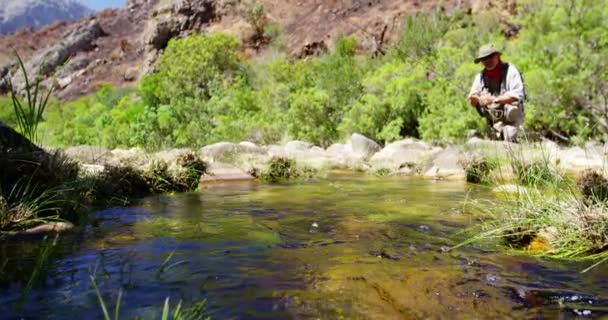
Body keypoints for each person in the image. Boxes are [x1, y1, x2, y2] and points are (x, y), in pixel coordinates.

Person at [468, 44, 525, 142]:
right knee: (494, 141)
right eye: (483, 59)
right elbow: (472, 101)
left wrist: (494, 100)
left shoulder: (511, 71)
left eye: (490, 57)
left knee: (509, 137)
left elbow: (517, 95)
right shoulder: (480, 77)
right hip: (493, 118)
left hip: (511, 116)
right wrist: (478, 99)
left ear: (497, 56)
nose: (487, 61)